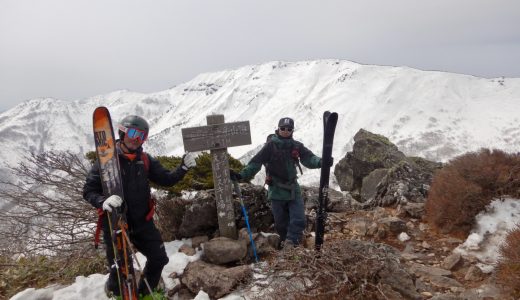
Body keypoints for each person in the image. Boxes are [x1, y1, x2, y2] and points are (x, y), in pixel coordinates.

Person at [83, 115, 197, 297]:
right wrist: (102, 201)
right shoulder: (106, 163)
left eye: (142, 136)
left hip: (142, 222)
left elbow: (166, 179)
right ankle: (115, 292)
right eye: (133, 133)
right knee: (119, 267)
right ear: (122, 132)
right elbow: (89, 190)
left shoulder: (145, 160)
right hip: (115, 223)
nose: (137, 139)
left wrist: (182, 168)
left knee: (159, 258)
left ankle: (145, 292)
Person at [230, 117, 331, 248]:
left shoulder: (296, 146)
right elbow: (255, 163)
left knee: (299, 218)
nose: (285, 131)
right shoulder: (270, 146)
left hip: (293, 187)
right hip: (276, 189)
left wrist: (322, 162)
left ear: (292, 131)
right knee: (281, 223)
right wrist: (241, 175)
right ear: (278, 128)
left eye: (289, 129)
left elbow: (309, 158)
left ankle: (291, 244)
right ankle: (286, 241)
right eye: (283, 128)